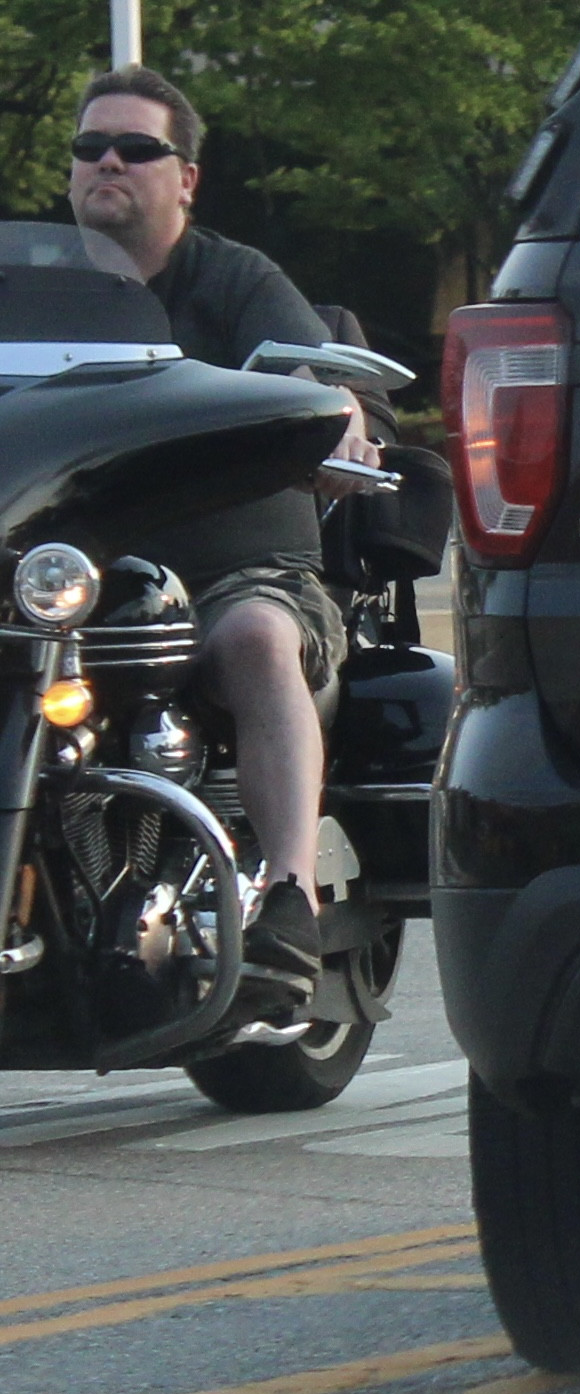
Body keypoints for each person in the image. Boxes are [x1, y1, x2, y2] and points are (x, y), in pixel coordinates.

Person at [66, 65, 382, 1024]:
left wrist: (339, 430)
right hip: (69, 577)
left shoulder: (234, 279)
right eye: (90, 148)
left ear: (186, 178)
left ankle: (288, 895)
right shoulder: (36, 295)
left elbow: (313, 382)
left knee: (252, 637)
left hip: (237, 569)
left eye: (136, 147)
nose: (108, 162)